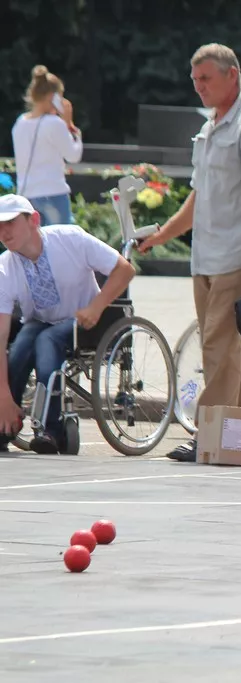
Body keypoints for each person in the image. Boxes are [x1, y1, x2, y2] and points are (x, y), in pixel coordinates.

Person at [138, 43, 241, 462]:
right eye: (195, 80)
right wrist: (162, 234)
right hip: (207, 256)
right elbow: (199, 196)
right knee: (229, 348)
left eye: (206, 78)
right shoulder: (210, 127)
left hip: (238, 256)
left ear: (233, 76)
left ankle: (207, 433)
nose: (199, 87)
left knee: (217, 347)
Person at [0, 194, 136, 453]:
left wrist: (97, 305)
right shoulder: (5, 267)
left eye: (10, 222)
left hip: (87, 322)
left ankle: (51, 428)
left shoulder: (70, 238)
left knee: (45, 339)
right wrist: (2, 396)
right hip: (40, 322)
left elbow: (125, 269)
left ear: (34, 220)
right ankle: (6, 424)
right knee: (22, 344)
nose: (4, 232)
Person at [11, 65, 82, 226]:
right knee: (60, 244)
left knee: (34, 249)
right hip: (54, 194)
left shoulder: (19, 123)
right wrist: (71, 127)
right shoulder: (55, 123)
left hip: (27, 197)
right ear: (53, 97)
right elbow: (73, 155)